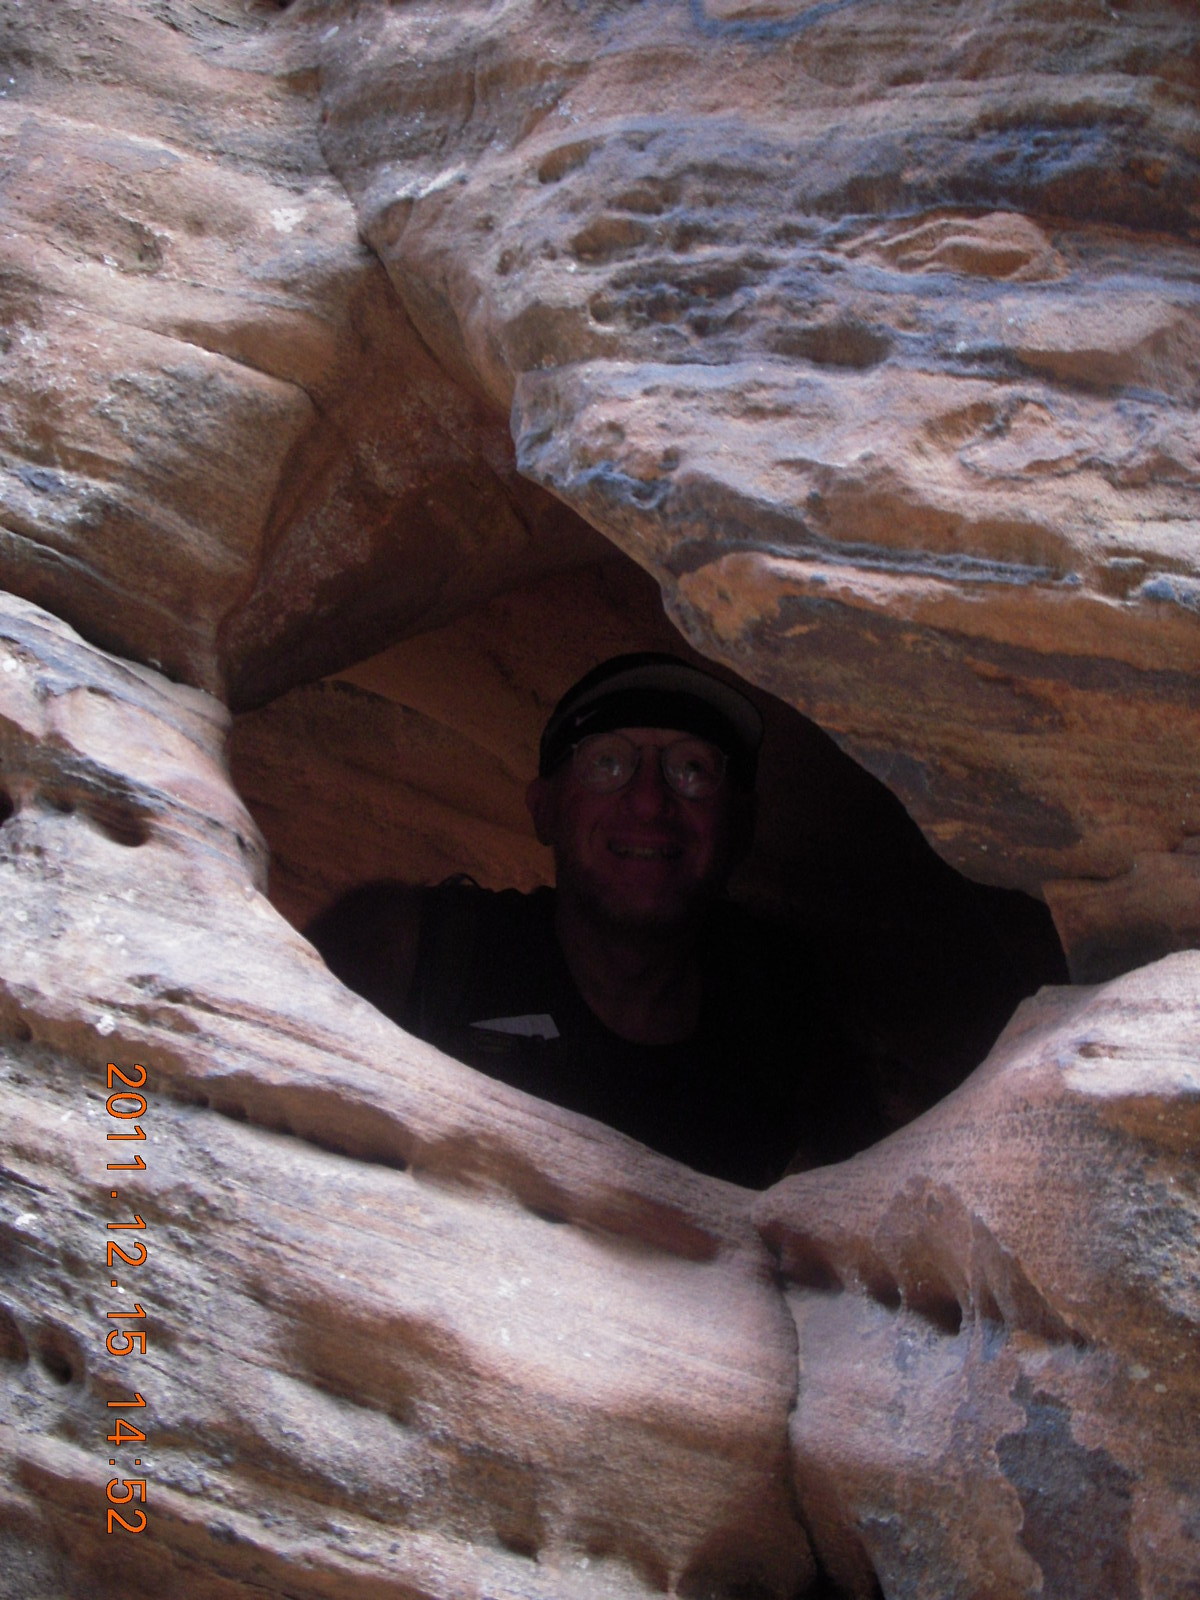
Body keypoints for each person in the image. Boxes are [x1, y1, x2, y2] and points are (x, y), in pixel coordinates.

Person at [308, 653, 882, 1187]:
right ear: (544, 809)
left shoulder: (786, 1014)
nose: (650, 801)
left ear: (742, 823)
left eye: (692, 768)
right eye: (606, 762)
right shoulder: (409, 953)